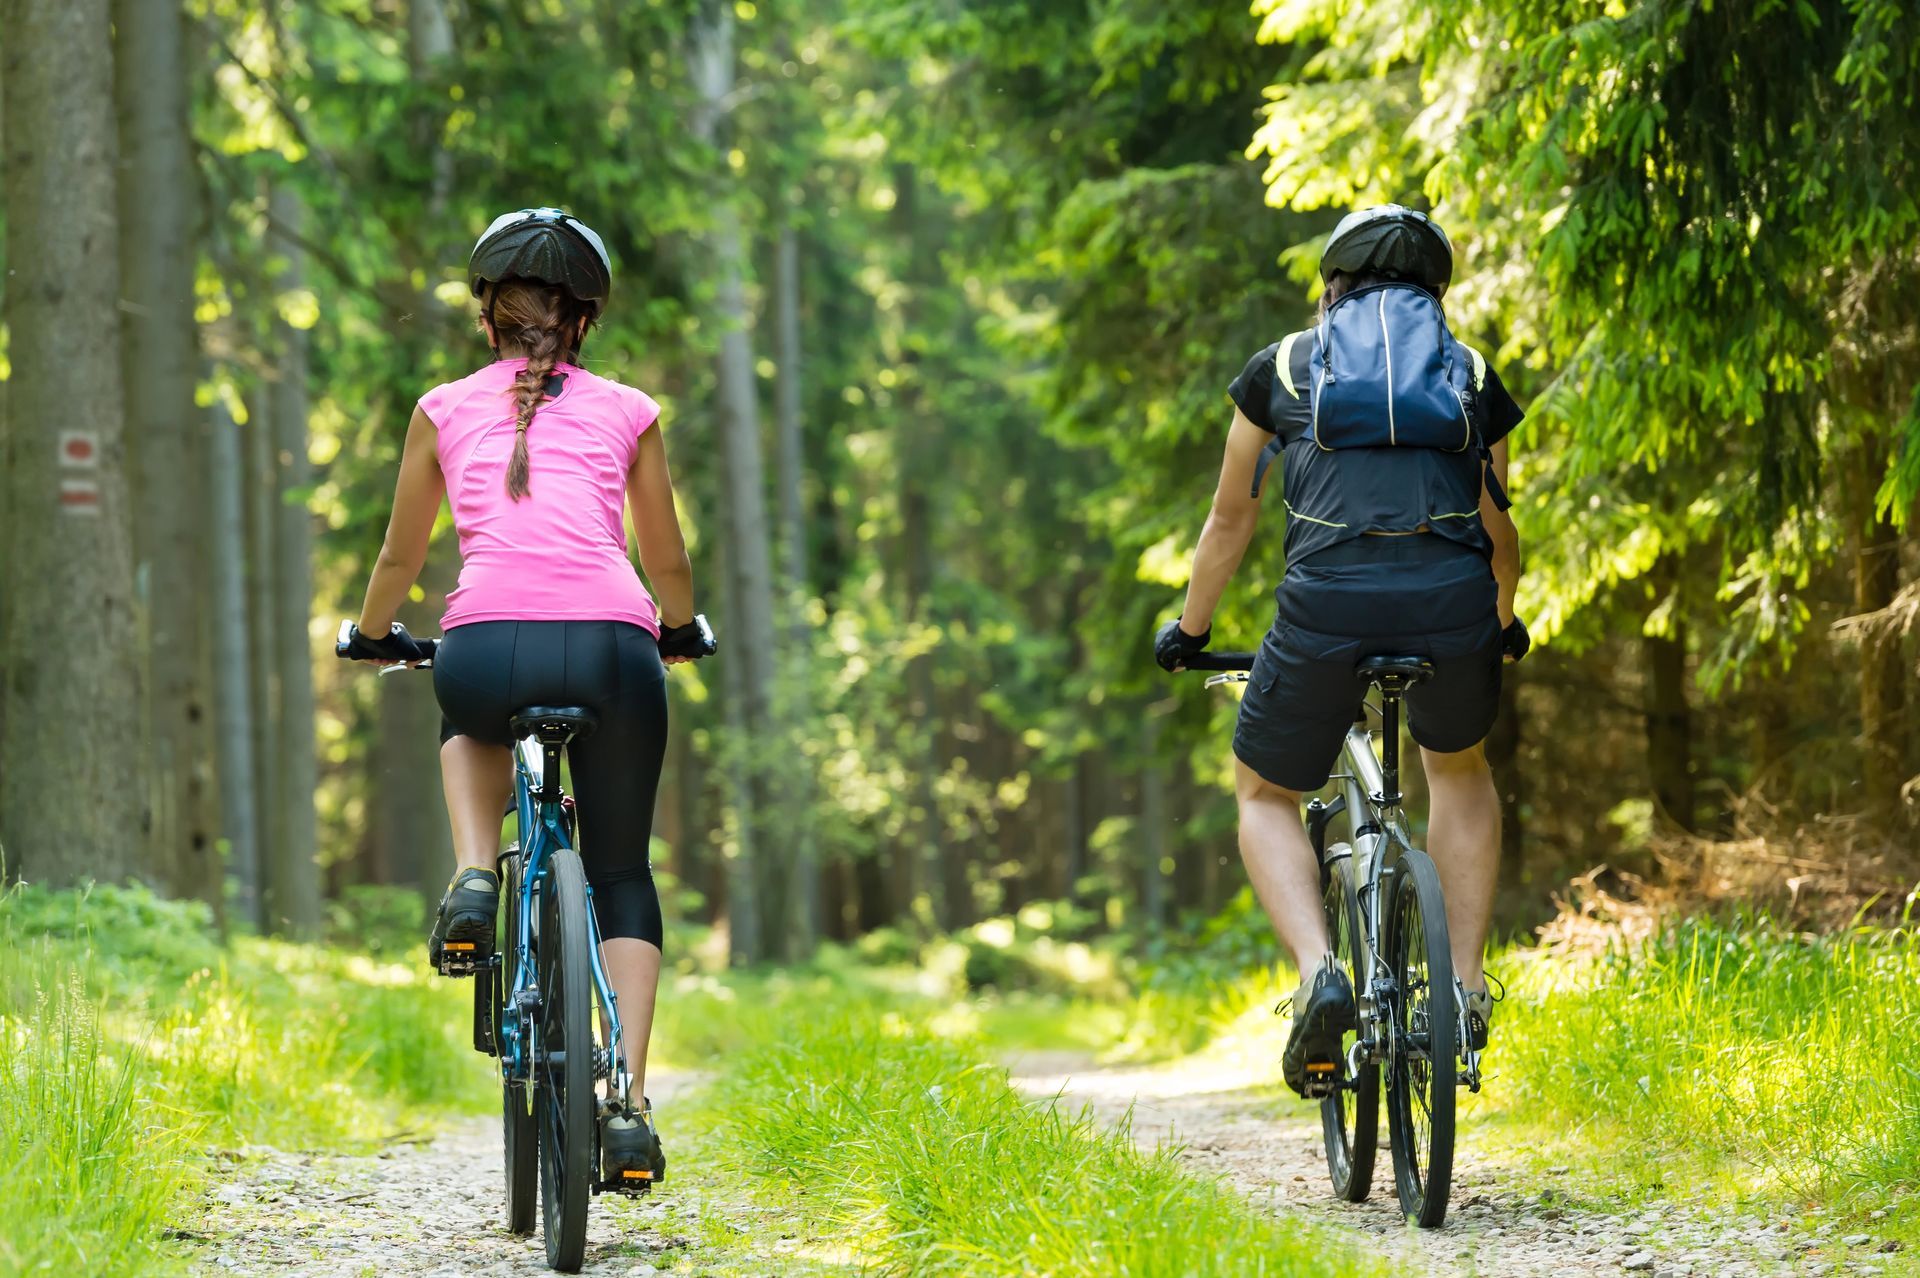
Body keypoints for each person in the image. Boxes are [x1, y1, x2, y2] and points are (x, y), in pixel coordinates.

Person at [341, 207, 713, 1182]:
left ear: (486, 318)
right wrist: (678, 629)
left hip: (484, 648)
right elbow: (664, 554)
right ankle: (627, 1106)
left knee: (466, 723)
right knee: (623, 870)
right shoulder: (629, 409)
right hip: (611, 650)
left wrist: (372, 633)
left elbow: (401, 552)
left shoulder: (441, 408)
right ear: (581, 322)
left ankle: (475, 873)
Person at [1153, 205, 1527, 1096]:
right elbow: (1500, 531)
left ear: (1333, 280)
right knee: (1461, 771)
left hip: (1329, 610)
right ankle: (1463, 995)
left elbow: (1228, 521)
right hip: (1451, 607)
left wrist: (1192, 631)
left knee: (1264, 789)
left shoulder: (1283, 366)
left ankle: (1321, 971)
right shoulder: (1470, 373)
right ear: (1435, 287)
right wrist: (1501, 619)